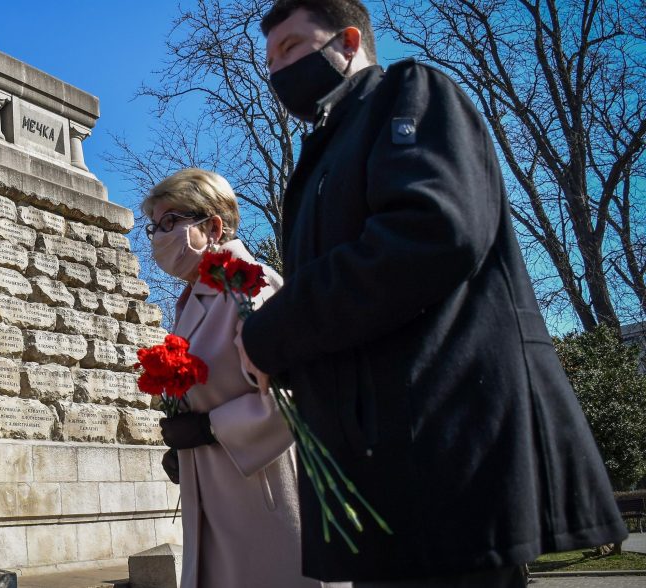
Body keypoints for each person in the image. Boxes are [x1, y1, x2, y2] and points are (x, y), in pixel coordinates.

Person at [236, 1, 629, 586]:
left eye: (291, 48)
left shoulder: (409, 93)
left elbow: (431, 232)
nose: (277, 72)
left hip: (444, 460)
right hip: (383, 476)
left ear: (347, 42)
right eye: (269, 62)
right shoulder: (326, 151)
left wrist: (271, 332)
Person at [145, 168, 341, 588]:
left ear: (212, 226)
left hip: (267, 494)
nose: (158, 238)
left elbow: (298, 393)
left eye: (169, 223)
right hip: (219, 491)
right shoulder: (196, 297)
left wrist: (208, 429)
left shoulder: (249, 284)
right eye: (154, 227)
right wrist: (185, 448)